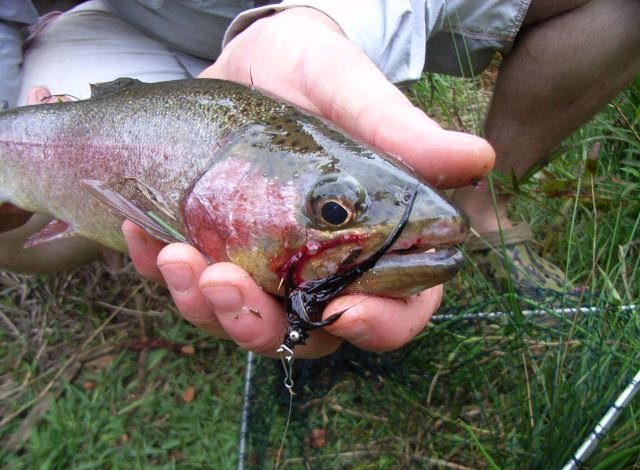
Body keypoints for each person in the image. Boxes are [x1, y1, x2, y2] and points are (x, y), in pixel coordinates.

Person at [1, 1, 638, 359]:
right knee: (16, 217)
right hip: (123, 21)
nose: (338, 214)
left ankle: (485, 206)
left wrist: (315, 22)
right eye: (333, 212)